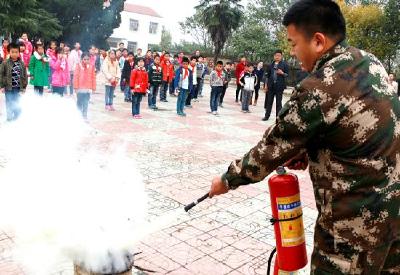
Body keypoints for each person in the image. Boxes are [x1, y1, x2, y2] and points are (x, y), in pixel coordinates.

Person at [209, 0, 400, 273]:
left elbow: (269, 151)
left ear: (318, 41)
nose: (292, 51)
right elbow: (354, 128)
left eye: (293, 42)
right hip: (394, 216)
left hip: (353, 230)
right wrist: (311, 149)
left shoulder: (317, 87)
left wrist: (226, 180)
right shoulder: (371, 63)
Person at [0, 42, 28, 121]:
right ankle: (9, 118)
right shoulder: (5, 63)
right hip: (8, 88)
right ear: (9, 52)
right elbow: (1, 74)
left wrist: (24, 87)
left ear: (19, 53)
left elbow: (25, 76)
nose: (14, 54)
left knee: (17, 102)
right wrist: (1, 86)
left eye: (16, 52)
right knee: (9, 102)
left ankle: (17, 118)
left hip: (18, 88)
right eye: (12, 52)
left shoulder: (21, 63)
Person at [262, 50, 289, 121]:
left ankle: (278, 118)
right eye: (276, 55)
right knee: (269, 102)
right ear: (274, 56)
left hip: (279, 87)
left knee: (278, 103)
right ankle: (266, 116)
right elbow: (267, 76)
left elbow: (287, 75)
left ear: (281, 56)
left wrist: (282, 73)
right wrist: (265, 86)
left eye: (279, 55)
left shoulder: (285, 65)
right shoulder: (270, 65)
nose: (277, 57)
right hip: (270, 86)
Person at [73, 52, 96, 120]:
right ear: (82, 59)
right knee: (79, 102)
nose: (86, 61)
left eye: (87, 59)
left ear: (90, 59)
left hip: (88, 88)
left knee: (86, 102)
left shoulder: (91, 67)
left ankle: (84, 115)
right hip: (80, 88)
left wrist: (93, 87)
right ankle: (78, 115)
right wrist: (76, 87)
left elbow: (93, 77)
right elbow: (76, 77)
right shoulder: (78, 66)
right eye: (84, 59)